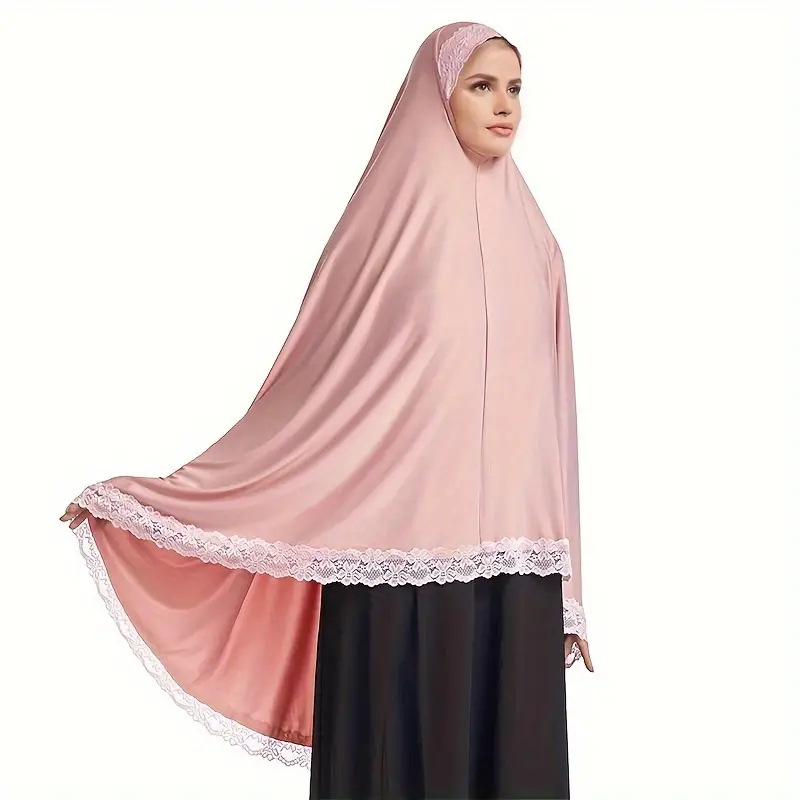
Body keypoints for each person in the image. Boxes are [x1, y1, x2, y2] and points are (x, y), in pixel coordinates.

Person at [61, 20, 593, 800]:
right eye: (481, 86)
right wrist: (165, 504)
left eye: (515, 88)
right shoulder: (384, 229)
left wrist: (568, 580)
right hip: (398, 548)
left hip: (515, 555)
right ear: (436, 96)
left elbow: (556, 418)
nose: (505, 106)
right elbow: (315, 382)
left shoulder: (537, 242)